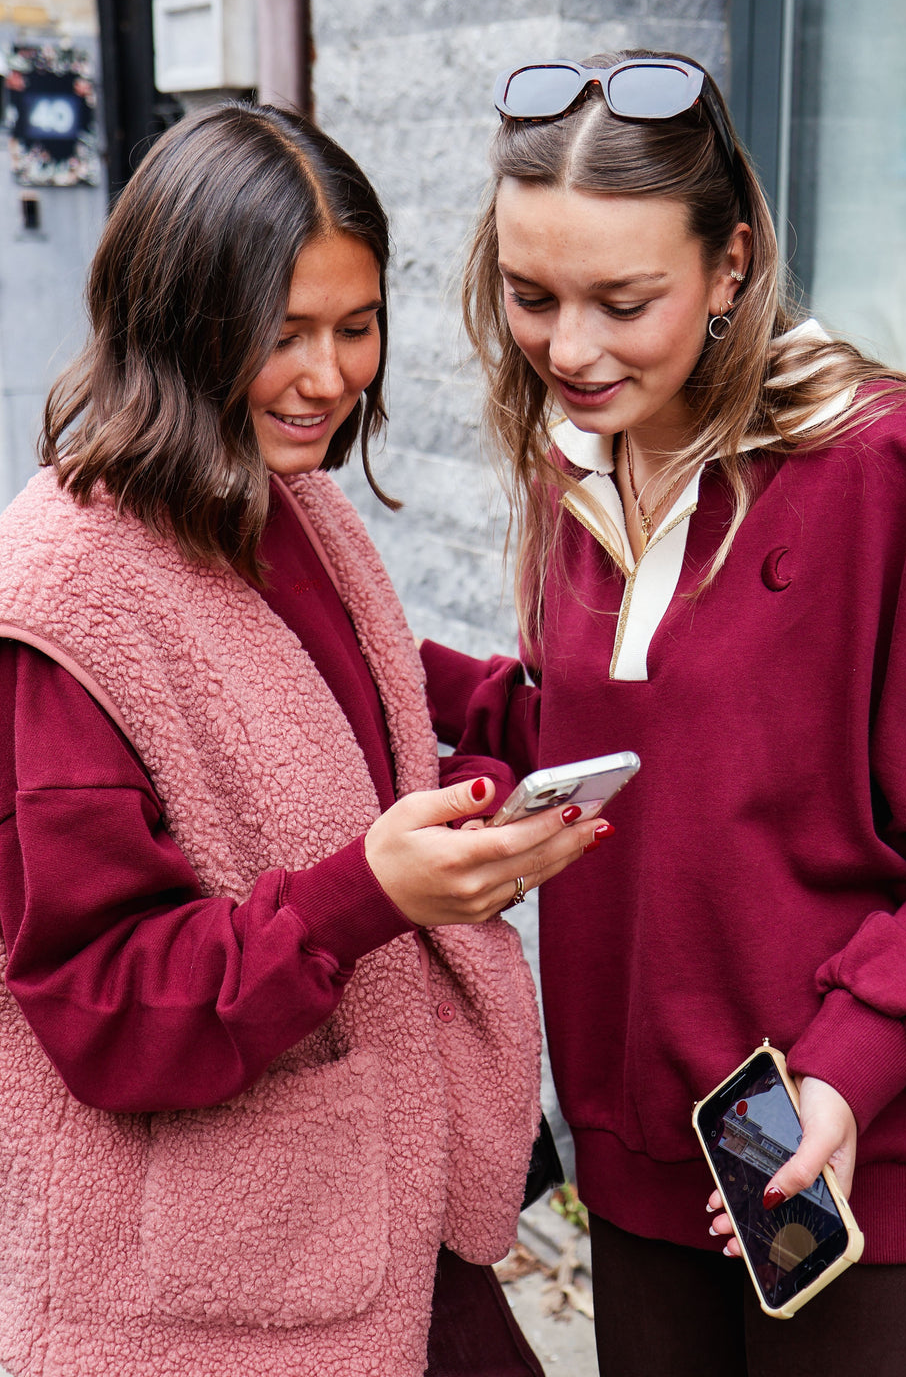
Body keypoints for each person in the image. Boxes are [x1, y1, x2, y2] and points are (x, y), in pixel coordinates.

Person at [419, 52, 906, 1376]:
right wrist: (377, 674)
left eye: (623, 302)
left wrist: (858, 1056)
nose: (568, 350)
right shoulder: (579, 460)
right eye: (531, 296)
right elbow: (619, 745)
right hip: (650, 1174)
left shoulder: (884, 461)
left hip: (881, 1172)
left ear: (731, 265)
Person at [0, 102, 610, 1377]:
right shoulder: (62, 602)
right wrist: (367, 895)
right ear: (175, 322)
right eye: (281, 334)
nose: (329, 376)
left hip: (364, 1213)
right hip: (204, 1296)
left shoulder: (291, 504)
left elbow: (370, 719)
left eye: (356, 325)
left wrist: (500, 784)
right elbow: (102, 1002)